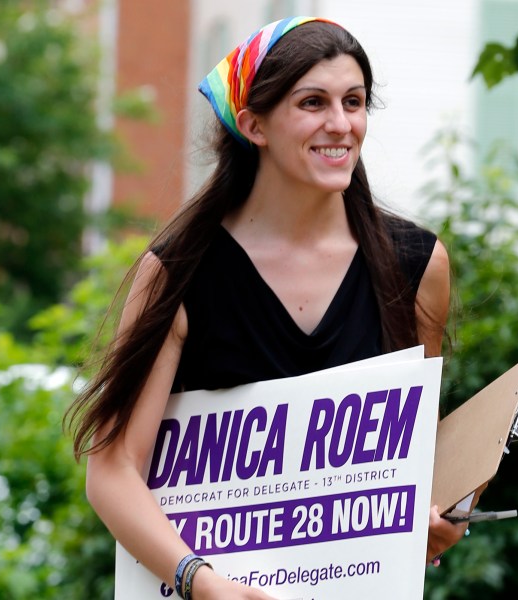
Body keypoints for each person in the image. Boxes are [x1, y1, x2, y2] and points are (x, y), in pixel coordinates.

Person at [67, 16, 472, 599]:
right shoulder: (179, 274)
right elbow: (110, 470)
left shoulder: (417, 265)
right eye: (313, 102)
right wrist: (202, 583)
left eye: (353, 102)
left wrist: (434, 518)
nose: (341, 124)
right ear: (254, 124)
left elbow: (414, 454)